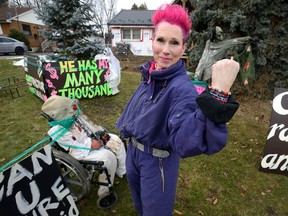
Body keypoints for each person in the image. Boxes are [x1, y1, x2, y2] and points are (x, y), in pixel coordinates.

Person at [115, 4, 240, 216]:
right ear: (153, 40)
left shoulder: (182, 89)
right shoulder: (151, 74)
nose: (165, 50)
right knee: (139, 206)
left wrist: (218, 94)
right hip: (133, 153)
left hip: (157, 163)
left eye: (174, 43)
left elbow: (185, 140)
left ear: (184, 48)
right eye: (161, 40)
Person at [41, 95, 126, 198]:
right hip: (81, 152)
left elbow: (91, 126)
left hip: (92, 139)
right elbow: (74, 148)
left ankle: (122, 171)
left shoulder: (74, 115)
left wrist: (101, 134)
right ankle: (104, 192)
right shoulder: (57, 131)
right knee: (108, 157)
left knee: (115, 140)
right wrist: (91, 144)